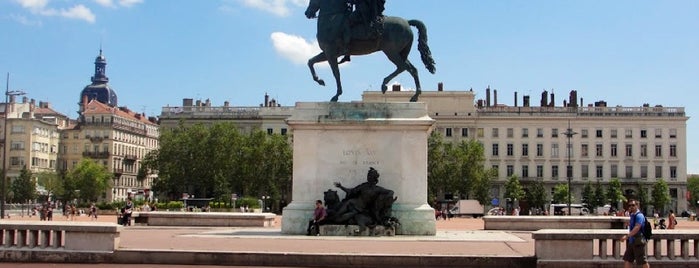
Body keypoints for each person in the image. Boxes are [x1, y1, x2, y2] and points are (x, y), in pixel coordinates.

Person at [620, 200, 650, 268]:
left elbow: (637, 228)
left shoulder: (639, 215)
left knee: (643, 261)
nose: (631, 207)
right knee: (627, 260)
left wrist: (627, 236)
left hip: (638, 242)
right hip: (632, 241)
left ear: (637, 206)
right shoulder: (632, 215)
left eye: (633, 205)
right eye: (630, 205)